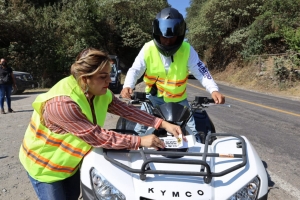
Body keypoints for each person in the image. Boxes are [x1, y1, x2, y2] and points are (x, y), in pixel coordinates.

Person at [19, 48, 183, 200]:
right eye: (103, 76)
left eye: (109, 74)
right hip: (44, 167)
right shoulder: (62, 104)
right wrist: (140, 141)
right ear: (85, 78)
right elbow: (97, 137)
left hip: (69, 165)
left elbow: (127, 111)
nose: (109, 81)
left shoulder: (99, 92)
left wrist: (161, 123)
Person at [121, 7, 225, 137]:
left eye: (172, 38)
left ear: (179, 36)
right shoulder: (148, 48)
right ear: (157, 34)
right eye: (164, 38)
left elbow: (201, 71)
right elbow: (135, 69)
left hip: (180, 101)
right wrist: (127, 86)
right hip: (153, 100)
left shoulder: (187, 49)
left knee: (194, 133)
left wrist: (213, 89)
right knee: (140, 131)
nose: (168, 42)